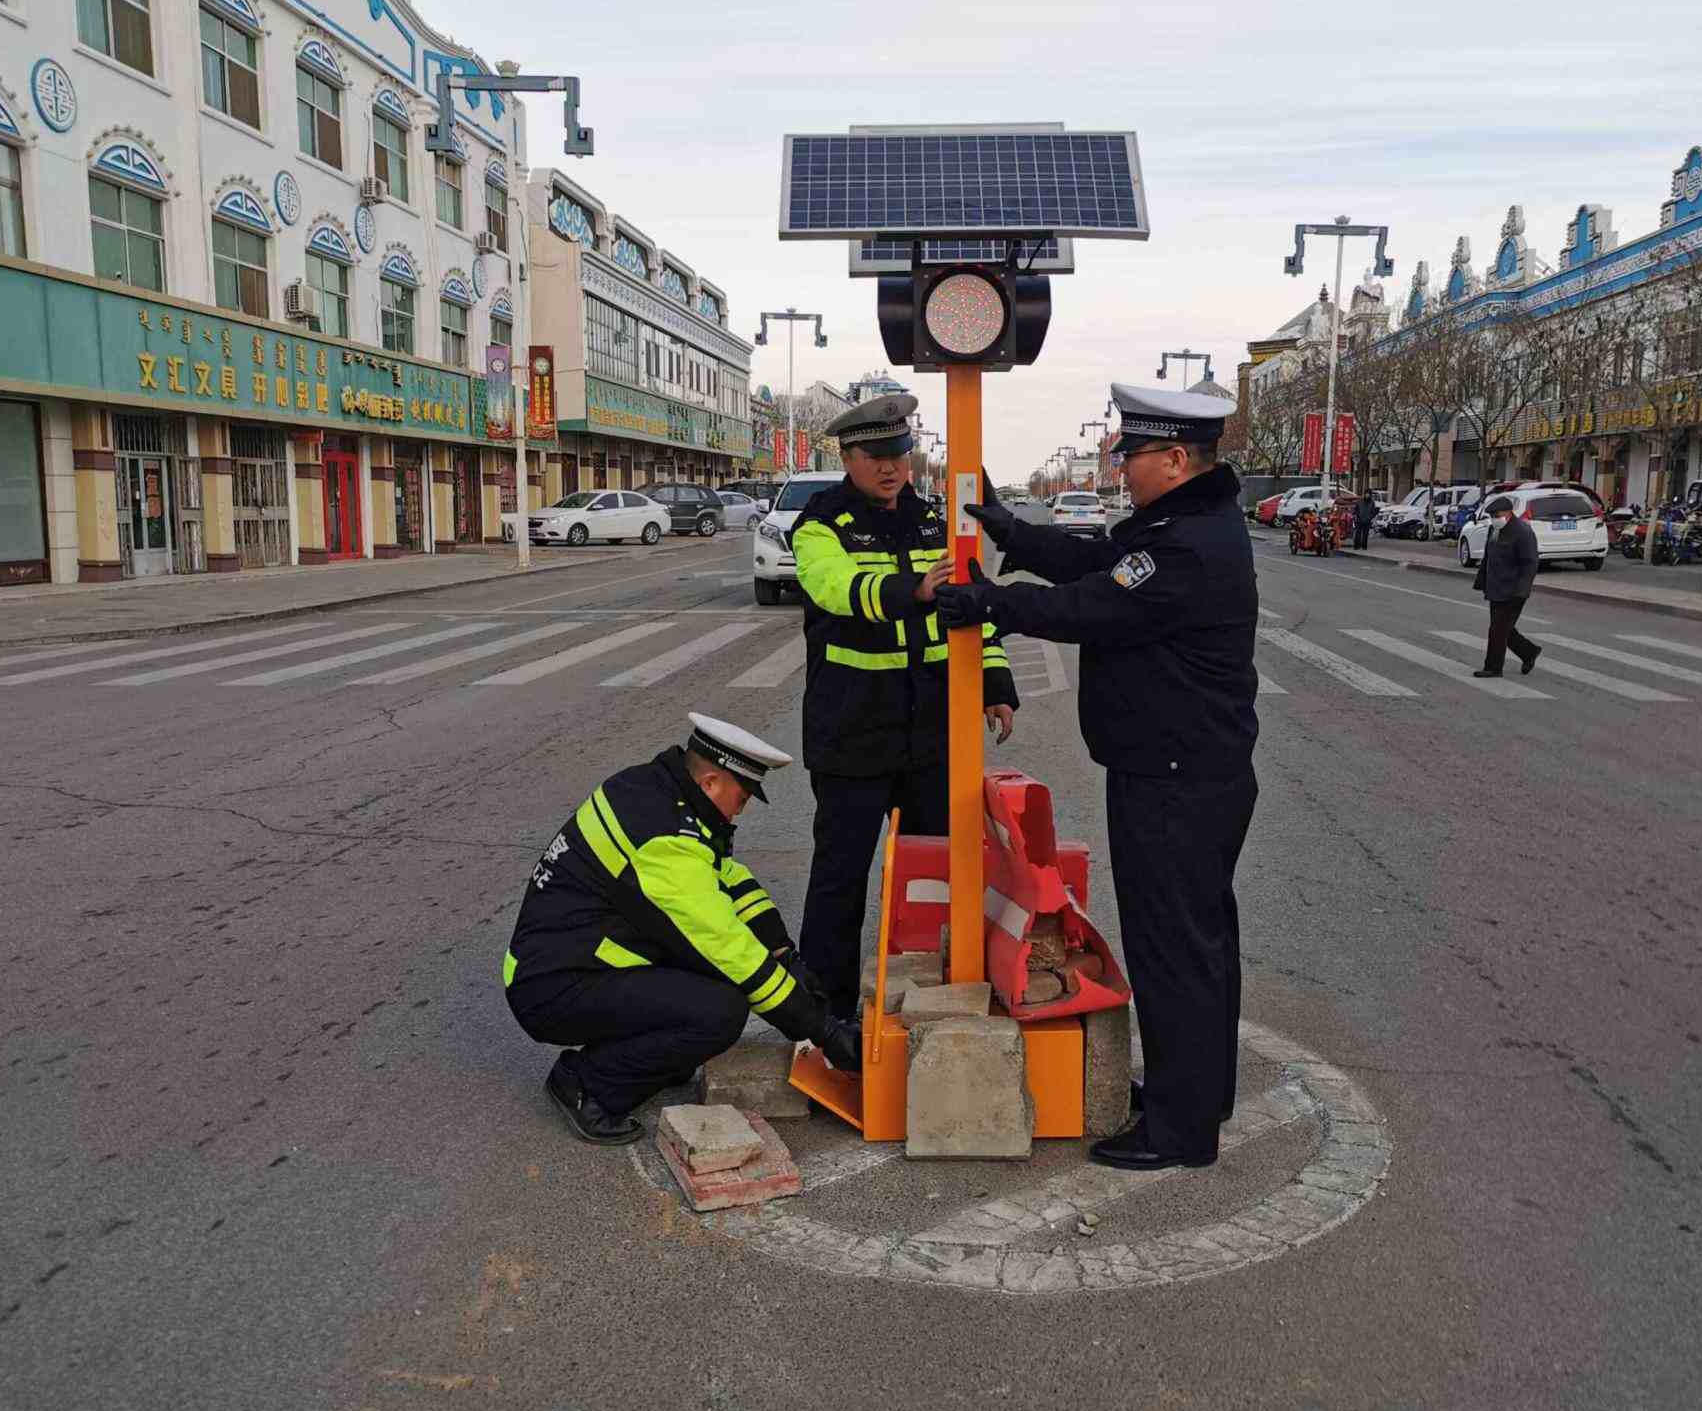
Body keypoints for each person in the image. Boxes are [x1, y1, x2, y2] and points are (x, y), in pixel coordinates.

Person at [937, 383, 1259, 1174]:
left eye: (1133, 455)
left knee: (1173, 949)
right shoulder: (1180, 525)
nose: (1123, 468)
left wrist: (991, 604)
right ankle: (1197, 1094)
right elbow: (1095, 561)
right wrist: (1011, 530)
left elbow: (1091, 606)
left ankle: (1181, 1131)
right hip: (1185, 770)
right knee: (1200, 945)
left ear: (1175, 459)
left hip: (1176, 779)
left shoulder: (1188, 546)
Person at [504, 714, 859, 1146]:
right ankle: (587, 1084)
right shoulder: (666, 843)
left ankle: (660, 1056)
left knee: (707, 978)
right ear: (710, 782)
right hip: (554, 985)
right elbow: (728, 948)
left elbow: (728, 877)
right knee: (720, 1010)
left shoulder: (655, 790)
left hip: (571, 956)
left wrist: (785, 953)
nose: (741, 809)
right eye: (742, 797)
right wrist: (821, 1030)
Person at [791, 392, 1019, 1014]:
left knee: (932, 879)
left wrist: (995, 683)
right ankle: (826, 1016)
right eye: (874, 455)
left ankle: (922, 1003)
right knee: (839, 880)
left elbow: (975, 607)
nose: (890, 467)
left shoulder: (935, 521)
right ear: (847, 457)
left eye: (898, 452)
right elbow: (837, 588)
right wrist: (910, 590)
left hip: (931, 736)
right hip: (852, 732)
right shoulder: (821, 523)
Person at [1471, 495, 1542, 677]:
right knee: (1504, 629)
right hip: (1496, 588)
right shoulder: (1494, 529)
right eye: (1492, 516)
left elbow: (1530, 563)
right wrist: (1481, 581)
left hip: (1513, 590)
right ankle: (1529, 652)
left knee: (1497, 630)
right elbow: (1488, 557)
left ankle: (1493, 668)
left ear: (1509, 513)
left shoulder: (1522, 532)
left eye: (1497, 515)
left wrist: (1522, 590)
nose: (1494, 519)